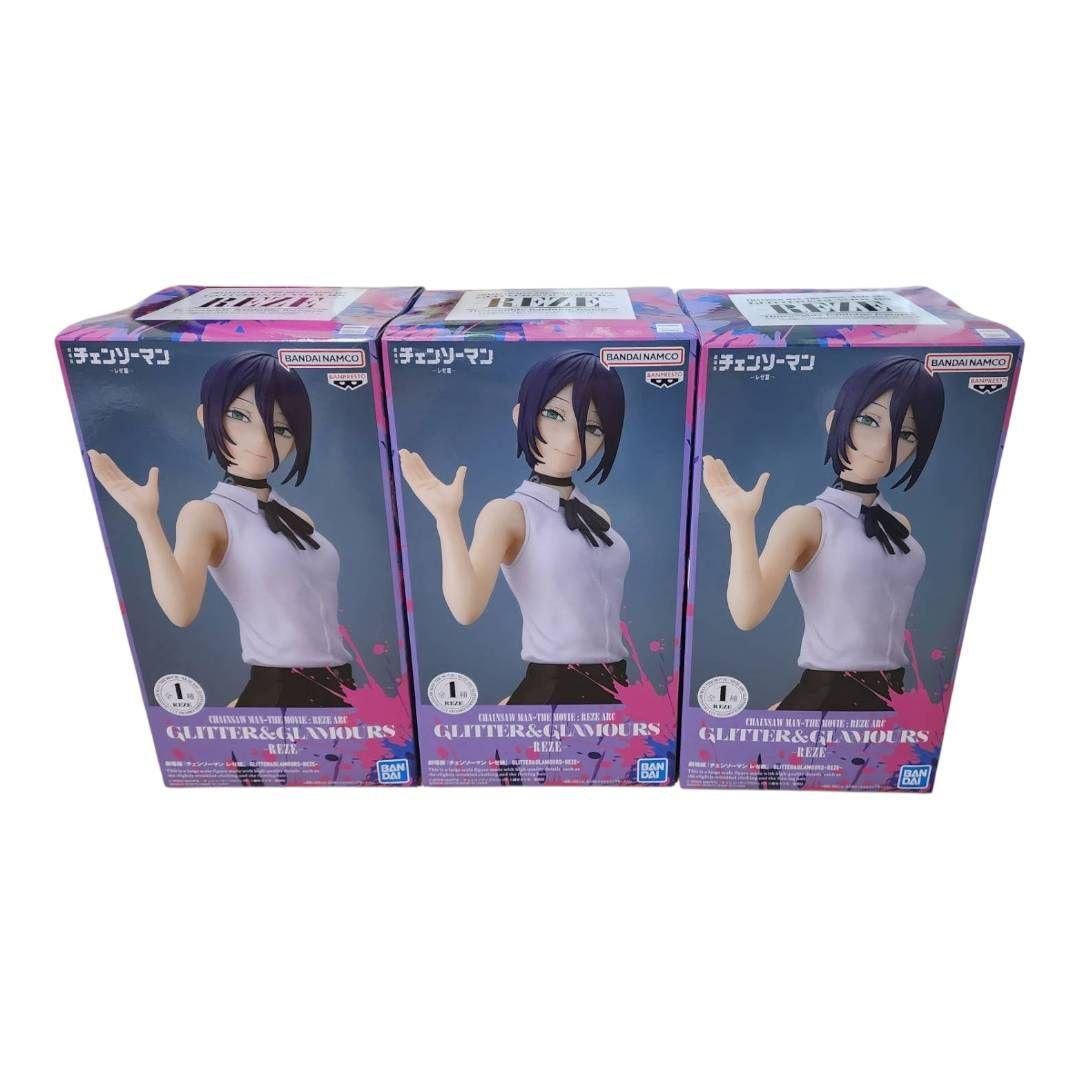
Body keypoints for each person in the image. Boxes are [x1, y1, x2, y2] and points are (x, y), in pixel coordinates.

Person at [88, 351, 354, 707]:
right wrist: (146, 520)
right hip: (281, 689)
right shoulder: (208, 514)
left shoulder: (298, 518)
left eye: (281, 428)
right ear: (206, 416)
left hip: (342, 685)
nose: (261, 440)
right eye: (240, 415)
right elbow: (181, 611)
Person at [702, 355, 945, 711]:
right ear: (835, 422)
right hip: (829, 695)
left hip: (893, 698)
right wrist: (740, 522)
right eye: (869, 420)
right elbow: (747, 614)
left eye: (906, 434)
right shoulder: (808, 520)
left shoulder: (897, 525)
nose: (883, 445)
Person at [399, 350, 630, 705]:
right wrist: (446, 517)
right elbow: (466, 608)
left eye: (592, 427)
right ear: (521, 416)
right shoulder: (509, 513)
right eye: (554, 415)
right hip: (556, 687)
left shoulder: (597, 516)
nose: (571, 440)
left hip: (617, 685)